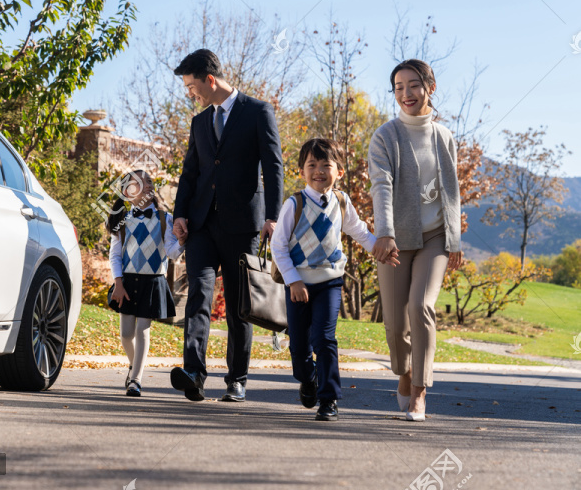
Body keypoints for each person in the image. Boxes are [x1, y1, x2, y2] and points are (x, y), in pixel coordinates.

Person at [169, 49, 284, 402]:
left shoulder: (258, 112)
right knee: (198, 298)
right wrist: (179, 214)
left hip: (243, 226)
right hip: (202, 225)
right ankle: (194, 373)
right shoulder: (199, 122)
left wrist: (273, 217)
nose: (190, 92)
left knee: (238, 305)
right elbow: (190, 174)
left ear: (210, 80)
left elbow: (273, 166)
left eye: (191, 86)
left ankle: (236, 378)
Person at [369, 59, 463, 422]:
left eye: (413, 85)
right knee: (395, 323)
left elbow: (450, 192)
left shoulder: (444, 137)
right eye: (398, 87)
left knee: (420, 306)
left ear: (430, 88)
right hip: (396, 239)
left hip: (436, 237)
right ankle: (405, 375)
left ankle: (421, 391)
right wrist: (386, 232)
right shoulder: (385, 136)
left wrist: (453, 237)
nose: (406, 94)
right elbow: (382, 186)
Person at [270, 138, 390, 421]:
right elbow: (278, 246)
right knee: (300, 349)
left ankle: (329, 399)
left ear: (339, 171)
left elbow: (358, 231)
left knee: (325, 339)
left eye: (326, 165)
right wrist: (293, 281)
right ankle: (308, 378)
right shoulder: (294, 203)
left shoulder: (341, 201)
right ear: (302, 171)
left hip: (330, 282)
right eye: (312, 165)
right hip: (298, 284)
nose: (319, 171)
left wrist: (378, 248)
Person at [108, 169, 184, 397]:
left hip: (153, 282)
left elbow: (171, 253)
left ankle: (136, 380)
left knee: (142, 330)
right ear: (127, 192)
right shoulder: (121, 220)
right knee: (125, 334)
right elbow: (115, 256)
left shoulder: (165, 219)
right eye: (138, 183)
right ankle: (134, 366)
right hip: (127, 282)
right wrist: (118, 283)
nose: (146, 185)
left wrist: (181, 242)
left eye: (148, 181)